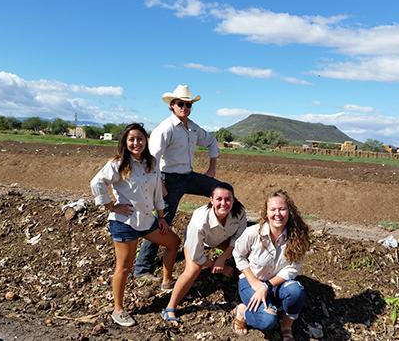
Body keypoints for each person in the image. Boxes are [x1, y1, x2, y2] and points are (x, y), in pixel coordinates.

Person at [90, 123, 181, 327]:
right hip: (125, 222)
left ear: (145, 141)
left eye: (140, 138)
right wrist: (111, 206)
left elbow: (157, 191)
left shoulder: (152, 163)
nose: (136, 143)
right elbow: (96, 183)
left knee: (174, 242)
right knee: (124, 267)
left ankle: (167, 283)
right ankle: (118, 310)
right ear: (125, 142)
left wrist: (161, 217)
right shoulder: (117, 164)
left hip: (147, 220)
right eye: (131, 139)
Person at [134, 85, 221, 281]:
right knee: (163, 222)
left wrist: (212, 168)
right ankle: (142, 269)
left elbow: (212, 142)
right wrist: (161, 185)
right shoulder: (165, 129)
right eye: (180, 104)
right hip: (168, 179)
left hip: (188, 176)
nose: (184, 107)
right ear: (172, 105)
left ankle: (219, 234)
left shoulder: (193, 128)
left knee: (222, 190)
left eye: (188, 104)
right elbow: (153, 159)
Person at [162, 182, 247, 325]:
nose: (223, 203)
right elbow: (196, 255)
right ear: (211, 199)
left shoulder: (239, 211)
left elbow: (239, 238)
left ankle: (245, 293)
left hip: (224, 237)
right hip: (201, 239)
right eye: (219, 199)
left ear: (233, 200)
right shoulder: (199, 222)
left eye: (228, 199)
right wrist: (218, 265)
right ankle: (170, 307)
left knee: (245, 253)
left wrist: (223, 258)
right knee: (193, 269)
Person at [232, 190, 310, 341]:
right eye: (273, 209)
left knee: (296, 291)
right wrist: (255, 283)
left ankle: (286, 327)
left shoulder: (297, 236)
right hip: (250, 283)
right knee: (267, 320)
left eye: (282, 209)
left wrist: (267, 286)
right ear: (266, 213)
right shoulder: (253, 233)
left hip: (277, 284)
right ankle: (242, 311)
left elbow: (293, 268)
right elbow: (238, 254)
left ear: (289, 211)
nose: (278, 214)